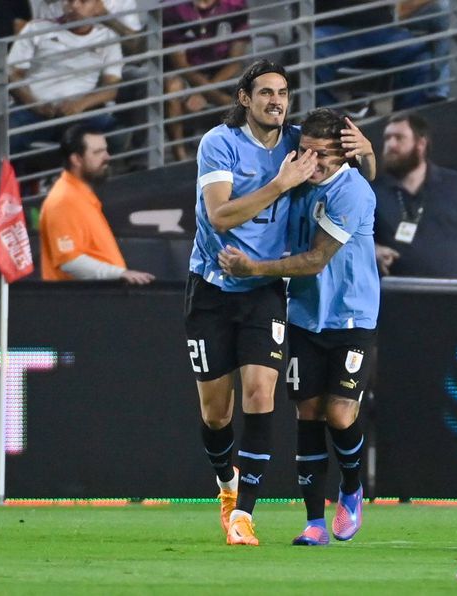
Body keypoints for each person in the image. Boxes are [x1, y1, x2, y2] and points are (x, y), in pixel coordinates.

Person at [185, 59, 375, 547]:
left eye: (283, 93)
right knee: (215, 413)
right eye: (266, 92)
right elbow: (221, 216)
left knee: (261, 394)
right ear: (245, 99)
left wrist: (369, 153)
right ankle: (228, 489)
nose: (276, 101)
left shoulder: (298, 141)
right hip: (212, 285)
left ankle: (244, 515)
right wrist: (280, 185)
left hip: (266, 291)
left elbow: (352, 176)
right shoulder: (219, 143)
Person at [372, 112, 457, 278]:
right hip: (398, 297)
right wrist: (372, 251)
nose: (390, 144)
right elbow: (352, 241)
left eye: (399, 138)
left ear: (421, 143)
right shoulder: (373, 193)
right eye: (387, 138)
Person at [39, 123, 155, 283]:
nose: (107, 157)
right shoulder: (64, 200)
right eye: (98, 152)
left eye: (105, 150)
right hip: (78, 301)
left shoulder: (80, 194)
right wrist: (119, 273)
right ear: (76, 159)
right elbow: (70, 261)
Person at [6, 0, 123, 154]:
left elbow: (111, 89)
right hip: (33, 111)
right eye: (69, 1)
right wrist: (35, 104)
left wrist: (81, 104)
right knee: (3, 135)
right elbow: (12, 74)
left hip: (82, 113)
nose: (74, 6)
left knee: (117, 135)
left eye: (83, 1)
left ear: (97, 6)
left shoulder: (108, 38)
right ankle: (17, 177)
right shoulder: (37, 28)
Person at [162, 0, 249, 162]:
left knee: (254, 85)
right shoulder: (173, 7)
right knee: (173, 87)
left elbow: (235, 62)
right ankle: (179, 157)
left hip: (222, 73)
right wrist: (208, 93)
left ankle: (246, 154)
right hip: (186, 73)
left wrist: (204, 93)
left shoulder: (235, 5)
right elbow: (180, 64)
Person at [315, 0, 436, 111]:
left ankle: (406, 121)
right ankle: (329, 122)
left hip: (379, 28)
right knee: (312, 52)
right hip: (332, 27)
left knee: (416, 52)